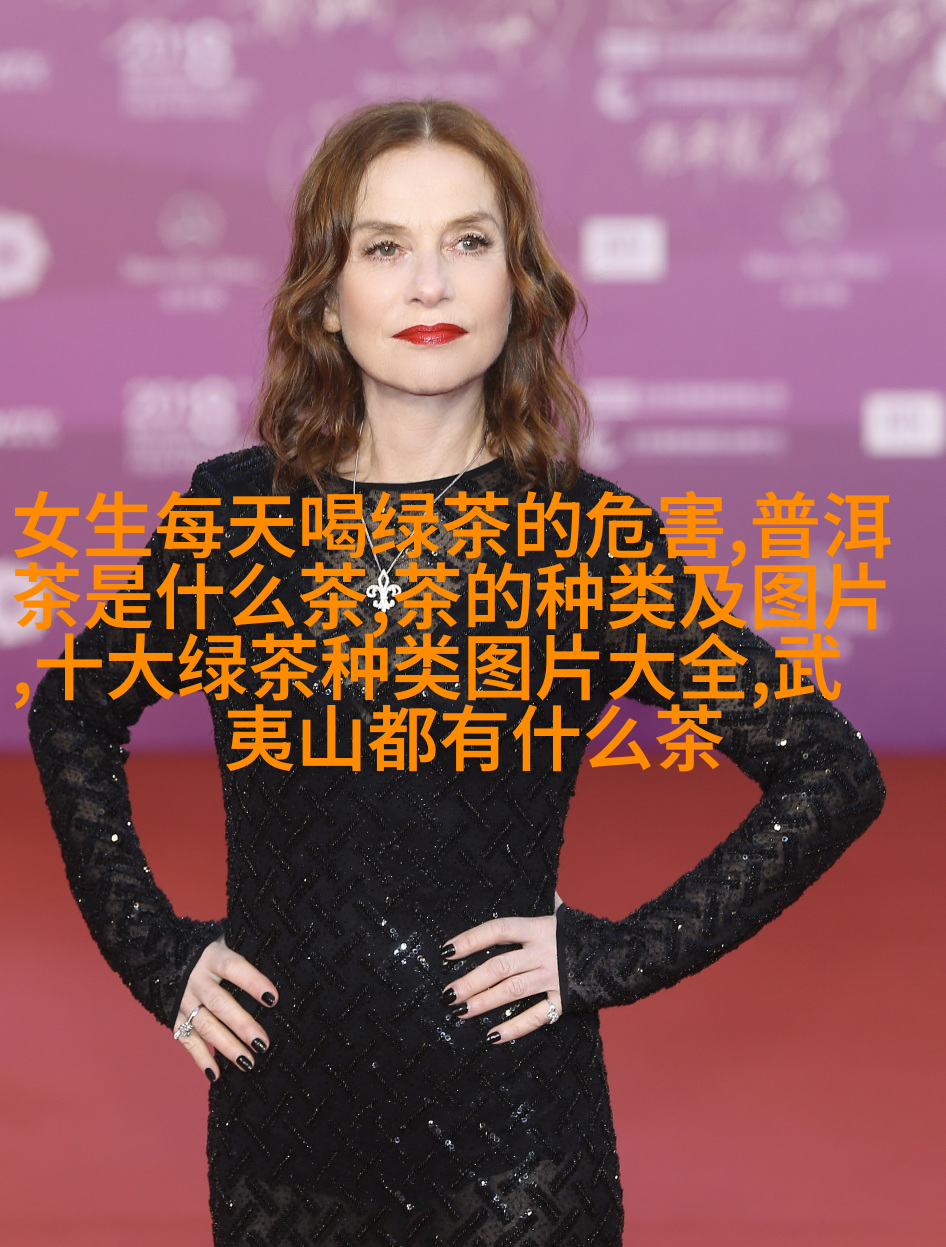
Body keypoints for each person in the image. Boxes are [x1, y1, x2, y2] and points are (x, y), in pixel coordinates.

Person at [29, 98, 885, 1246]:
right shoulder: (233, 516)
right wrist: (156, 952)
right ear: (325, 296)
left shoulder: (583, 539)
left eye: (467, 242)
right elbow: (73, 709)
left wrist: (613, 954)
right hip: (283, 1138)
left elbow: (829, 767)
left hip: (515, 1147)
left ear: (517, 284)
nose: (428, 284)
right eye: (384, 247)